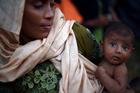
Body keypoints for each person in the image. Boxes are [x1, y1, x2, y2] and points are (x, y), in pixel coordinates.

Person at [0, 0, 103, 93]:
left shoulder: (73, 34)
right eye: (38, 5)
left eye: (52, 4)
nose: (50, 14)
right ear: (12, 12)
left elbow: (110, 69)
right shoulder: (3, 56)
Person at [95, 22, 135, 93]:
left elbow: (119, 90)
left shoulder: (120, 68)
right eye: (113, 44)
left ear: (131, 52)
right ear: (102, 46)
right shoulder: (100, 57)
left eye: (125, 48)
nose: (119, 51)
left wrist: (103, 76)